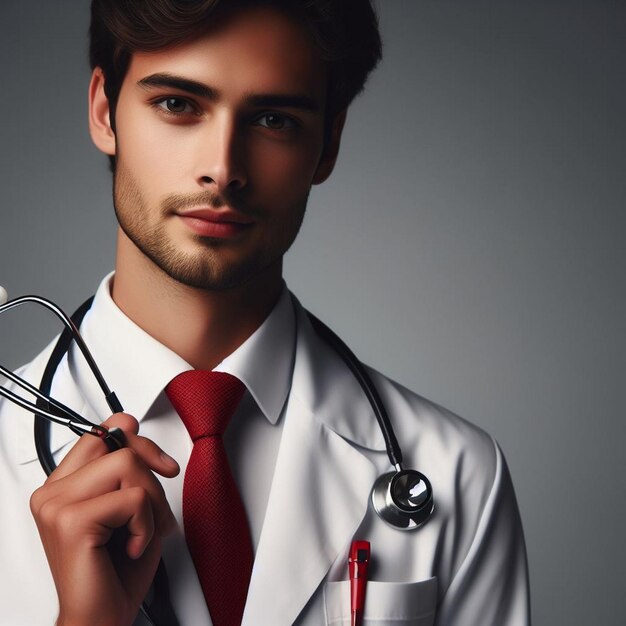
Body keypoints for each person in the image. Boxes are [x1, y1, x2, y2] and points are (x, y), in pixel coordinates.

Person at [0, 1, 530, 624]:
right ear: (103, 111)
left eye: (273, 119)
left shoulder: (456, 472)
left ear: (328, 144)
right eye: (177, 104)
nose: (222, 169)